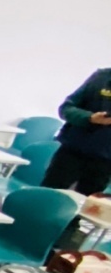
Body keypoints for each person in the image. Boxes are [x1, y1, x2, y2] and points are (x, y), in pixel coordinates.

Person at [42, 68, 111, 246]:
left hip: (104, 162)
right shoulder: (102, 77)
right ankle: (23, 237)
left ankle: (55, 253)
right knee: (47, 198)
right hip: (72, 152)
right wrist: (90, 118)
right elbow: (66, 109)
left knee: (81, 211)